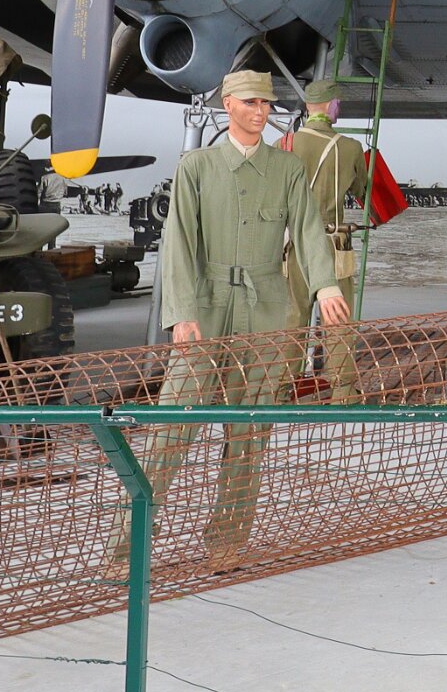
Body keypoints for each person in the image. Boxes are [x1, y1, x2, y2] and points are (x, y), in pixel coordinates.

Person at [124, 70, 349, 571]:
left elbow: (308, 230)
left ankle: (227, 540)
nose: (260, 112)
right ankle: (129, 544)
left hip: (265, 308)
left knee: (250, 430)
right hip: (205, 305)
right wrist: (180, 314)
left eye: (266, 104)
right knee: (172, 426)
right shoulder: (197, 167)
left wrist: (326, 284)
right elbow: (178, 244)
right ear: (227, 104)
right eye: (250, 102)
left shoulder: (287, 169)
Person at [282, 78, 371, 391]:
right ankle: (342, 393)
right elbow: (362, 190)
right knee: (338, 321)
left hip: (294, 246)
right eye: (338, 103)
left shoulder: (285, 144)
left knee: (293, 318)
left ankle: (281, 389)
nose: (339, 108)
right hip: (334, 245)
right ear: (331, 105)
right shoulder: (350, 147)